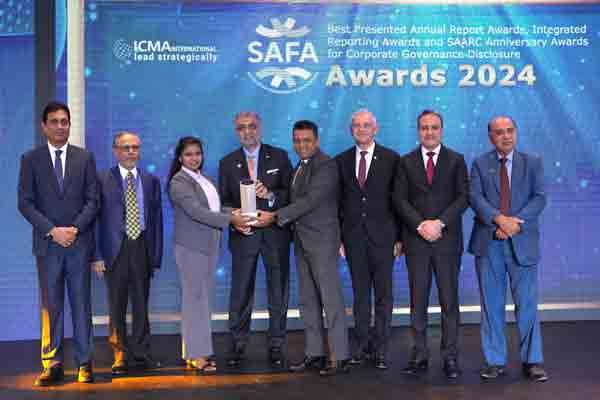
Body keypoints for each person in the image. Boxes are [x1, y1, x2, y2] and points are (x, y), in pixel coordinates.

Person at [259, 120, 351, 376]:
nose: (302, 145)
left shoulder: (326, 165)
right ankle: (315, 354)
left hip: (322, 241)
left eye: (307, 140)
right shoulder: (299, 166)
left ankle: (340, 356)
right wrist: (269, 196)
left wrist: (275, 216)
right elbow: (293, 198)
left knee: (330, 299)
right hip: (301, 240)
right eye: (297, 140)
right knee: (308, 300)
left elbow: (311, 200)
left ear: (317, 141)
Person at [17, 101, 98, 386]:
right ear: (44, 126)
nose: (60, 126)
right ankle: (52, 363)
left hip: (78, 243)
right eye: (54, 121)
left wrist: (74, 229)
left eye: (65, 121)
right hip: (48, 245)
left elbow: (93, 200)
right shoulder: (31, 159)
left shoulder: (84, 158)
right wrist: (53, 231)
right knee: (51, 306)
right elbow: (25, 203)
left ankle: (85, 362)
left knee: (81, 303)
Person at [469, 116, 548, 382]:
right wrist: (499, 220)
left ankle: (532, 361)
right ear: (490, 137)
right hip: (489, 242)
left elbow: (540, 198)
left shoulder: (533, 162)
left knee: (527, 304)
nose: (506, 136)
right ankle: (495, 361)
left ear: (516, 132)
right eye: (499, 132)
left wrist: (514, 224)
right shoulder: (480, 164)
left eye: (510, 131)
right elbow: (475, 197)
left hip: (522, 241)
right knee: (491, 305)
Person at [393, 110, 469, 379]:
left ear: (441, 130)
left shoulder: (456, 160)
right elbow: (399, 199)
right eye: (424, 127)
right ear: (418, 131)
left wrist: (440, 223)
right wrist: (420, 225)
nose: (429, 132)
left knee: (449, 301)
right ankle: (420, 355)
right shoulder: (405, 162)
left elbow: (463, 197)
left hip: (447, 241)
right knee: (418, 301)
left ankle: (450, 356)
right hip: (417, 242)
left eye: (434, 127)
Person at [168, 136, 249, 373]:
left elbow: (214, 209)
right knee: (195, 302)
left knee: (201, 302)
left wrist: (235, 212)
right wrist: (231, 219)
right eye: (188, 154)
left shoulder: (204, 178)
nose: (194, 158)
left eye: (197, 153)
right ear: (180, 158)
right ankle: (196, 354)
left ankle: (195, 351)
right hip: (191, 248)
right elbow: (197, 212)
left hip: (209, 247)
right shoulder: (179, 181)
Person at [218, 111, 293, 367]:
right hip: (243, 235)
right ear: (236, 131)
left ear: (259, 128)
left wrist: (270, 196)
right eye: (241, 127)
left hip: (275, 234)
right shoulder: (227, 162)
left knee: (278, 290)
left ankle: (277, 344)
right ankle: (237, 344)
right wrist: (234, 217)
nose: (247, 131)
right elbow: (223, 202)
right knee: (240, 291)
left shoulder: (280, 156)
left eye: (251, 126)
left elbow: (290, 194)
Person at [92, 131, 163, 375]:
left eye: (135, 147)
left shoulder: (151, 181)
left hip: (142, 246)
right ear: (115, 151)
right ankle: (120, 354)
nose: (131, 152)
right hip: (115, 250)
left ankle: (141, 352)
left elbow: (156, 220)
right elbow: (94, 220)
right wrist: (96, 255)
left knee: (142, 303)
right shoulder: (102, 179)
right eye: (126, 147)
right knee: (117, 304)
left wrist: (155, 255)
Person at [335, 109, 402, 370]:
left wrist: (400, 239)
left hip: (384, 238)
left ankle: (381, 349)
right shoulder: (341, 160)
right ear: (351, 130)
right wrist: (340, 239)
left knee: (384, 295)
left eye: (366, 125)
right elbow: (337, 203)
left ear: (376, 129)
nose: (361, 129)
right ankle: (362, 346)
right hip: (353, 239)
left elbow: (399, 201)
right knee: (360, 295)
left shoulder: (392, 159)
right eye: (357, 125)